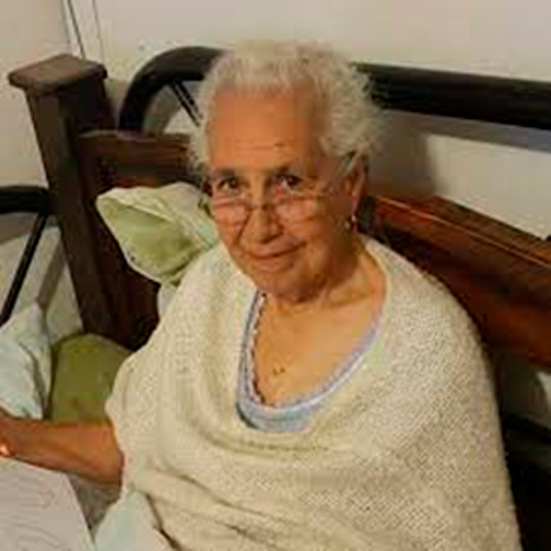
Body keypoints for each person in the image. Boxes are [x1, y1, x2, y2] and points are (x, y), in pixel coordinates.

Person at [0, 41, 521, 550]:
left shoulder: (425, 351)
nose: (258, 228)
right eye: (231, 184)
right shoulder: (215, 283)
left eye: (288, 182)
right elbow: (138, 442)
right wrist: (14, 436)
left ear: (351, 184)